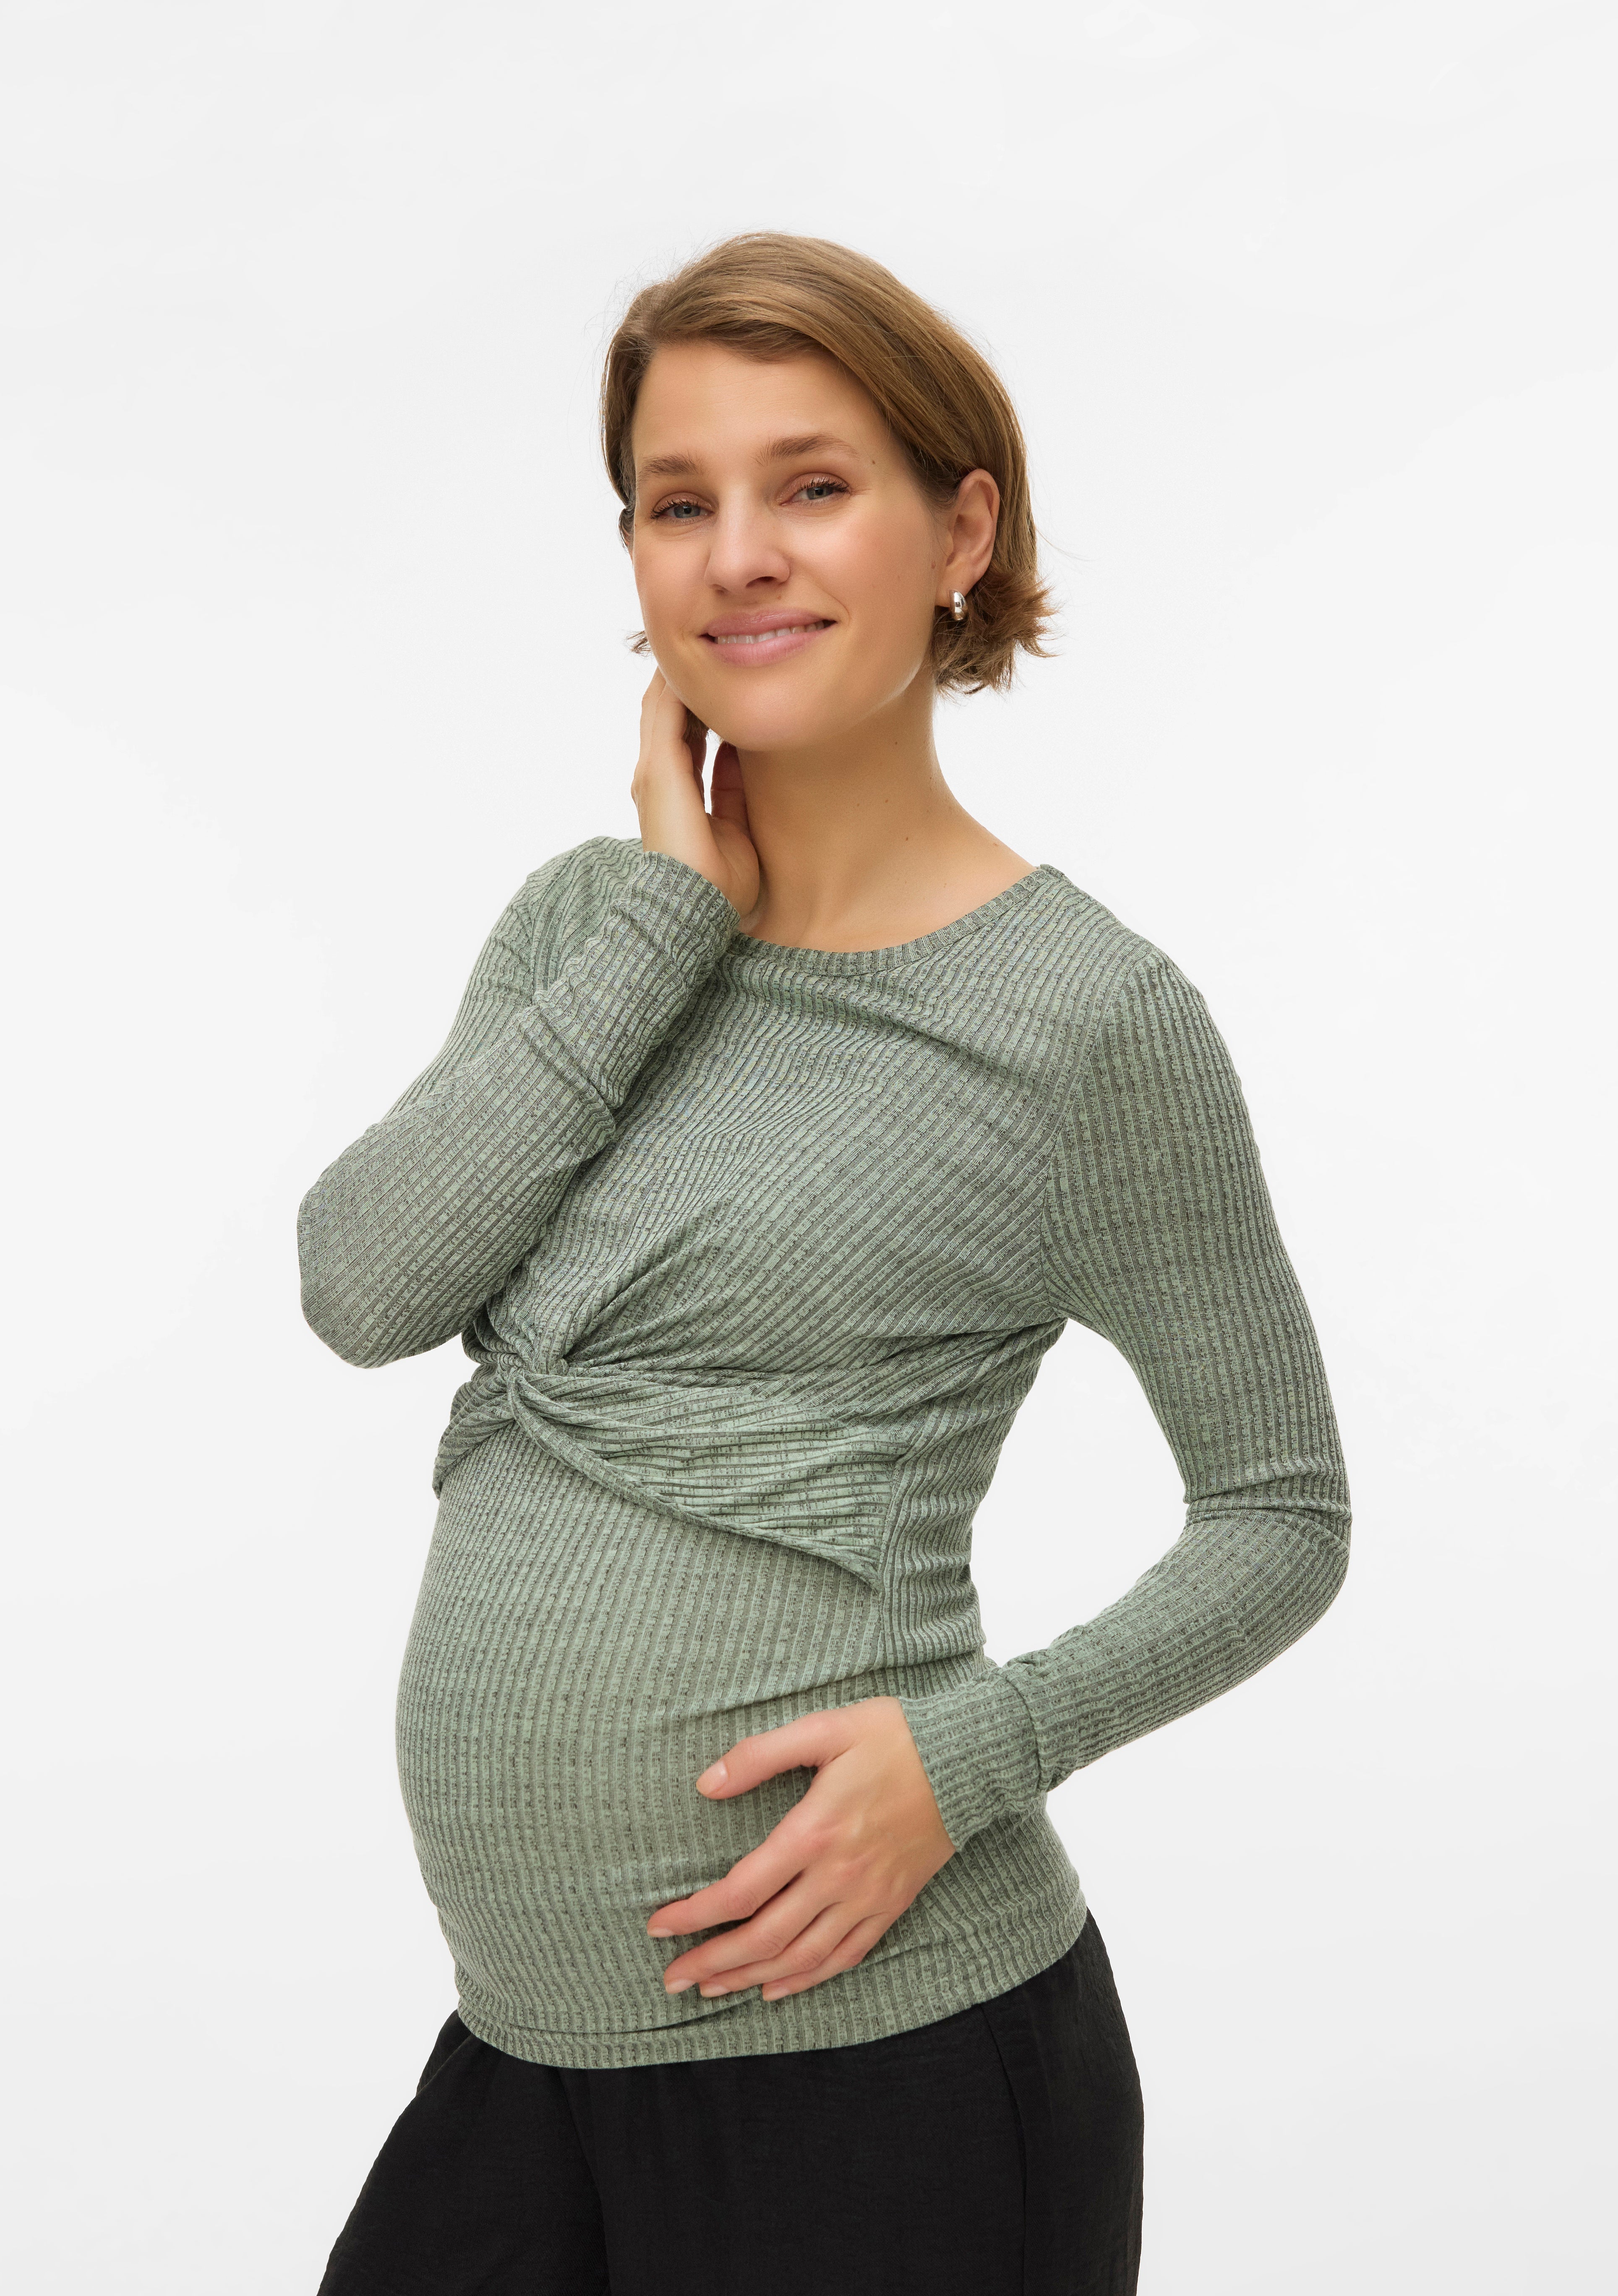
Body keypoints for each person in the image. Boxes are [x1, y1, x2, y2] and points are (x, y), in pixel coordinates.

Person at [298, 232, 1351, 2295]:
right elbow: (364, 1287)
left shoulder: (1084, 1019)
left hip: (887, 2067)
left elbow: (1282, 1512)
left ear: (961, 532)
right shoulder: (590, 926)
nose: (737, 557)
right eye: (675, 502)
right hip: (532, 2049)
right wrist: (664, 925)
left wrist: (971, 1756)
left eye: (811, 486)